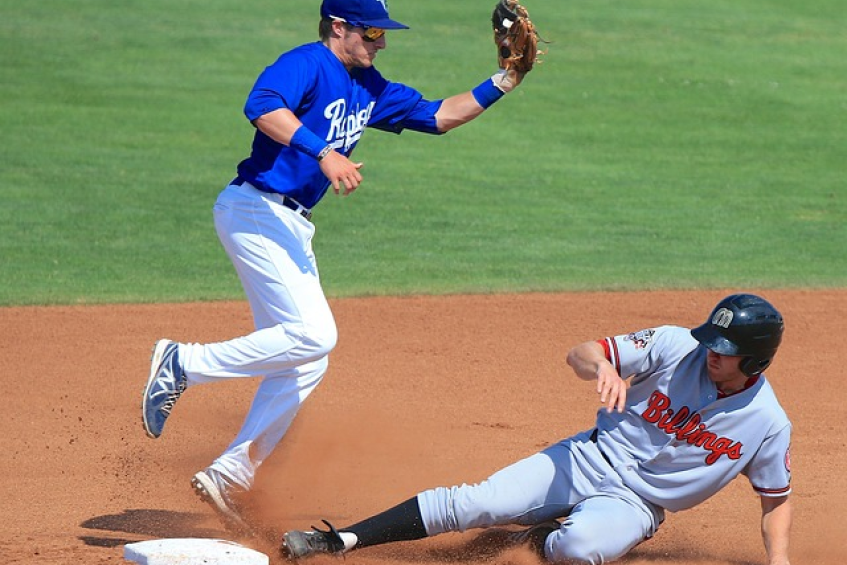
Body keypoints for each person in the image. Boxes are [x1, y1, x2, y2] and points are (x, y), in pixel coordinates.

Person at [140, 0, 532, 532]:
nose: (381, 43)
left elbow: (440, 116)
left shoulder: (369, 86)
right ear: (339, 27)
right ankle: (183, 362)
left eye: (383, 34)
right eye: (372, 33)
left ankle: (230, 472)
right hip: (255, 209)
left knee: (306, 359)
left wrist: (505, 80)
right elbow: (261, 105)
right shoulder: (306, 63)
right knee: (315, 334)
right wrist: (323, 151)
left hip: (291, 226)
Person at [279, 293, 793, 565]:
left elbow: (776, 499)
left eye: (724, 353)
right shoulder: (674, 343)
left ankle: (540, 538)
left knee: (578, 550)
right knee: (474, 502)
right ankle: (339, 542)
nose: (710, 356)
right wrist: (604, 368)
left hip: (638, 504)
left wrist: (781, 559)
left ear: (757, 360)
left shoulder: (767, 424)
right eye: (710, 343)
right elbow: (581, 352)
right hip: (587, 457)